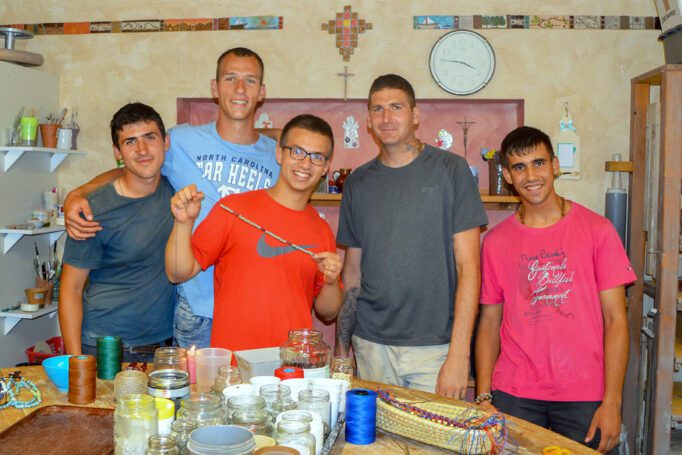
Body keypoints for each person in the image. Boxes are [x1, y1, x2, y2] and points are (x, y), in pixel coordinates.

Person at [61, 48, 280, 349]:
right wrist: (78, 193)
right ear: (215, 88)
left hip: (251, 304)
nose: (240, 88)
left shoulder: (277, 156)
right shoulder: (180, 141)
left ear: (262, 91)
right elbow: (136, 166)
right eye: (230, 78)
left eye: (250, 80)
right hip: (195, 307)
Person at [474, 126, 636, 454]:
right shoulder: (495, 242)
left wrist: (613, 401)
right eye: (519, 167)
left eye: (539, 163)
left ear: (555, 166)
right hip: (514, 393)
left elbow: (616, 320)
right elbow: (489, 323)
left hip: (584, 393)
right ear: (508, 176)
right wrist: (483, 396)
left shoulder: (598, 231)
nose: (531, 175)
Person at [334, 74, 488, 397]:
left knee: (434, 432)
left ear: (415, 115)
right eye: (377, 109)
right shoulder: (358, 183)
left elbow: (469, 269)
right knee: (374, 432)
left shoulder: (451, 171)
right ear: (368, 121)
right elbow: (352, 275)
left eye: (396, 107)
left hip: (435, 349)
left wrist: (460, 355)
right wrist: (341, 352)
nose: (386, 118)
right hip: (371, 346)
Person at [166, 114, 343, 352]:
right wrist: (183, 223)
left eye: (317, 157)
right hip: (235, 364)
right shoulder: (233, 208)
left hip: (292, 365)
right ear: (279, 154)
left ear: (326, 167)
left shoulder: (321, 230)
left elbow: (328, 312)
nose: (305, 164)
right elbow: (177, 272)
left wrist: (331, 282)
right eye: (297, 152)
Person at [58, 103, 175, 362]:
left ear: (165, 142)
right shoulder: (92, 210)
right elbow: (71, 288)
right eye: (130, 142)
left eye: (149, 137)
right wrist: (75, 362)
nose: (142, 150)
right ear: (117, 152)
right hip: (106, 347)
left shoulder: (177, 192)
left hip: (165, 347)